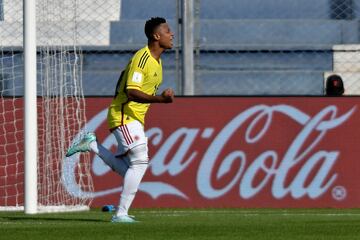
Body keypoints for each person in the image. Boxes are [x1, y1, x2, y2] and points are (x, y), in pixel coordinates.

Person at [66, 17, 175, 223]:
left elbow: (124, 81)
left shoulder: (157, 62)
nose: (172, 34)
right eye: (168, 31)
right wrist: (160, 99)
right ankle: (121, 214)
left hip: (133, 117)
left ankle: (92, 145)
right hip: (124, 116)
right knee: (140, 162)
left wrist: (159, 97)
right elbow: (132, 91)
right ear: (156, 36)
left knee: (133, 168)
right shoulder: (142, 58)